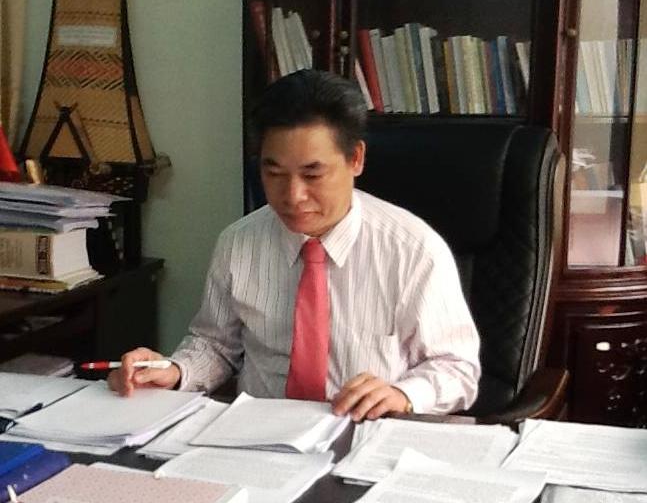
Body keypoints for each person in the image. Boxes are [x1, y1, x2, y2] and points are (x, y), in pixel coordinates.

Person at [108, 69, 480, 421]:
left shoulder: (413, 250)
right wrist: (174, 370)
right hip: (257, 435)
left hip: (364, 433)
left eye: (312, 174)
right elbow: (216, 345)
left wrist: (402, 393)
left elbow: (458, 368)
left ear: (355, 159)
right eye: (274, 173)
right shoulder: (238, 243)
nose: (293, 195)